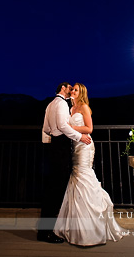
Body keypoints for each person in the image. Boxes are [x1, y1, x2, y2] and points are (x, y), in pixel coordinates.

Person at [54, 83, 124, 246]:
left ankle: (92, 228)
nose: (73, 91)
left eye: (76, 90)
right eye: (72, 89)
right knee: (76, 179)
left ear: (81, 93)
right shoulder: (70, 109)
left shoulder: (84, 107)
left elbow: (89, 128)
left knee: (83, 175)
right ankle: (76, 226)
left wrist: (72, 127)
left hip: (84, 145)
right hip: (74, 146)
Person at [37, 82, 92, 244]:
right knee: (56, 190)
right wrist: (79, 137)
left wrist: (51, 139)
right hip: (60, 147)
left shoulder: (50, 104)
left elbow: (46, 128)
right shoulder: (61, 104)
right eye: (70, 88)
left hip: (53, 146)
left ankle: (45, 230)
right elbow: (62, 126)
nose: (71, 91)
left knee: (51, 189)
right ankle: (47, 232)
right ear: (63, 88)